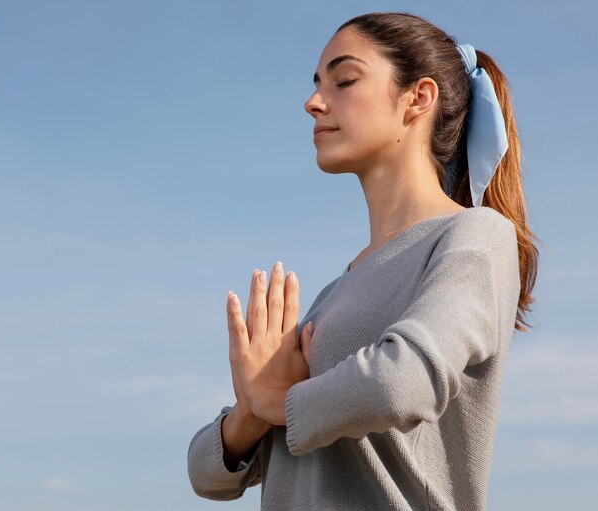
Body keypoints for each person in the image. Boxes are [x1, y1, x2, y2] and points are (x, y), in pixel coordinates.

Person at [187, 11, 539, 511]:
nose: (313, 102)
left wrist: (280, 403)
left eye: (344, 80)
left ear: (417, 98)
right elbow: (206, 473)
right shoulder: (335, 294)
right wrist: (251, 411)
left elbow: (401, 383)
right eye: (316, 84)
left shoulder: (475, 237)